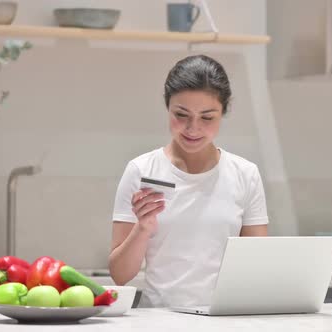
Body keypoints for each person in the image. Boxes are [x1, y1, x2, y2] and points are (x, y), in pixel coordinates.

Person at [108, 54, 269, 308]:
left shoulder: (245, 174)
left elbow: (257, 266)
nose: (193, 128)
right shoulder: (140, 170)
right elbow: (120, 275)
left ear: (223, 112)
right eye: (181, 115)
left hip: (225, 321)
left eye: (207, 117)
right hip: (159, 321)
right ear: (167, 107)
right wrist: (143, 229)